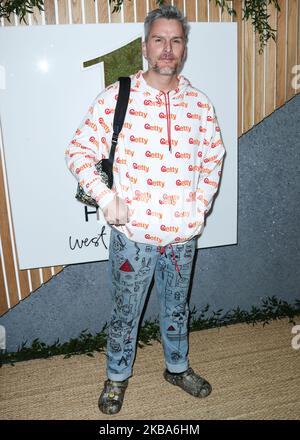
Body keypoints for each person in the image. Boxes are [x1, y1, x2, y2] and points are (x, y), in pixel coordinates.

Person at [65, 5, 225, 415]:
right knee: (125, 312)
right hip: (133, 238)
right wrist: (106, 198)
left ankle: (176, 367)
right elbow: (80, 151)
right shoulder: (118, 97)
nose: (167, 49)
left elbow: (213, 159)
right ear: (144, 46)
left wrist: (199, 209)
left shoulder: (200, 106)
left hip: (182, 238)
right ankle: (117, 377)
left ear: (184, 48)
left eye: (175, 40)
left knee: (177, 306)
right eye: (159, 40)